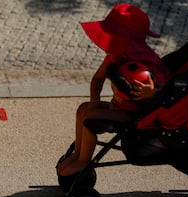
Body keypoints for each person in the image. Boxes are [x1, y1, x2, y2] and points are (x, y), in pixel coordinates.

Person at [57, 3, 169, 176]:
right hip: (117, 107)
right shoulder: (115, 55)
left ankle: (83, 161)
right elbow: (98, 79)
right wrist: (94, 101)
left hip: (137, 115)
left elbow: (166, 91)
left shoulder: (148, 64)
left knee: (90, 117)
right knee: (83, 109)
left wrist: (151, 93)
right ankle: (78, 153)